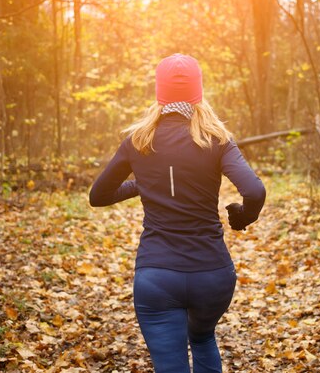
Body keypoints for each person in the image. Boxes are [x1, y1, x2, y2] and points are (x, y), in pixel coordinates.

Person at [89, 53, 266, 373]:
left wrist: (138, 185)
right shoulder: (217, 140)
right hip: (212, 275)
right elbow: (254, 192)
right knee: (202, 339)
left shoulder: (137, 141)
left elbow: (98, 196)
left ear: (159, 94)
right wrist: (242, 216)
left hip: (157, 277)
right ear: (199, 93)